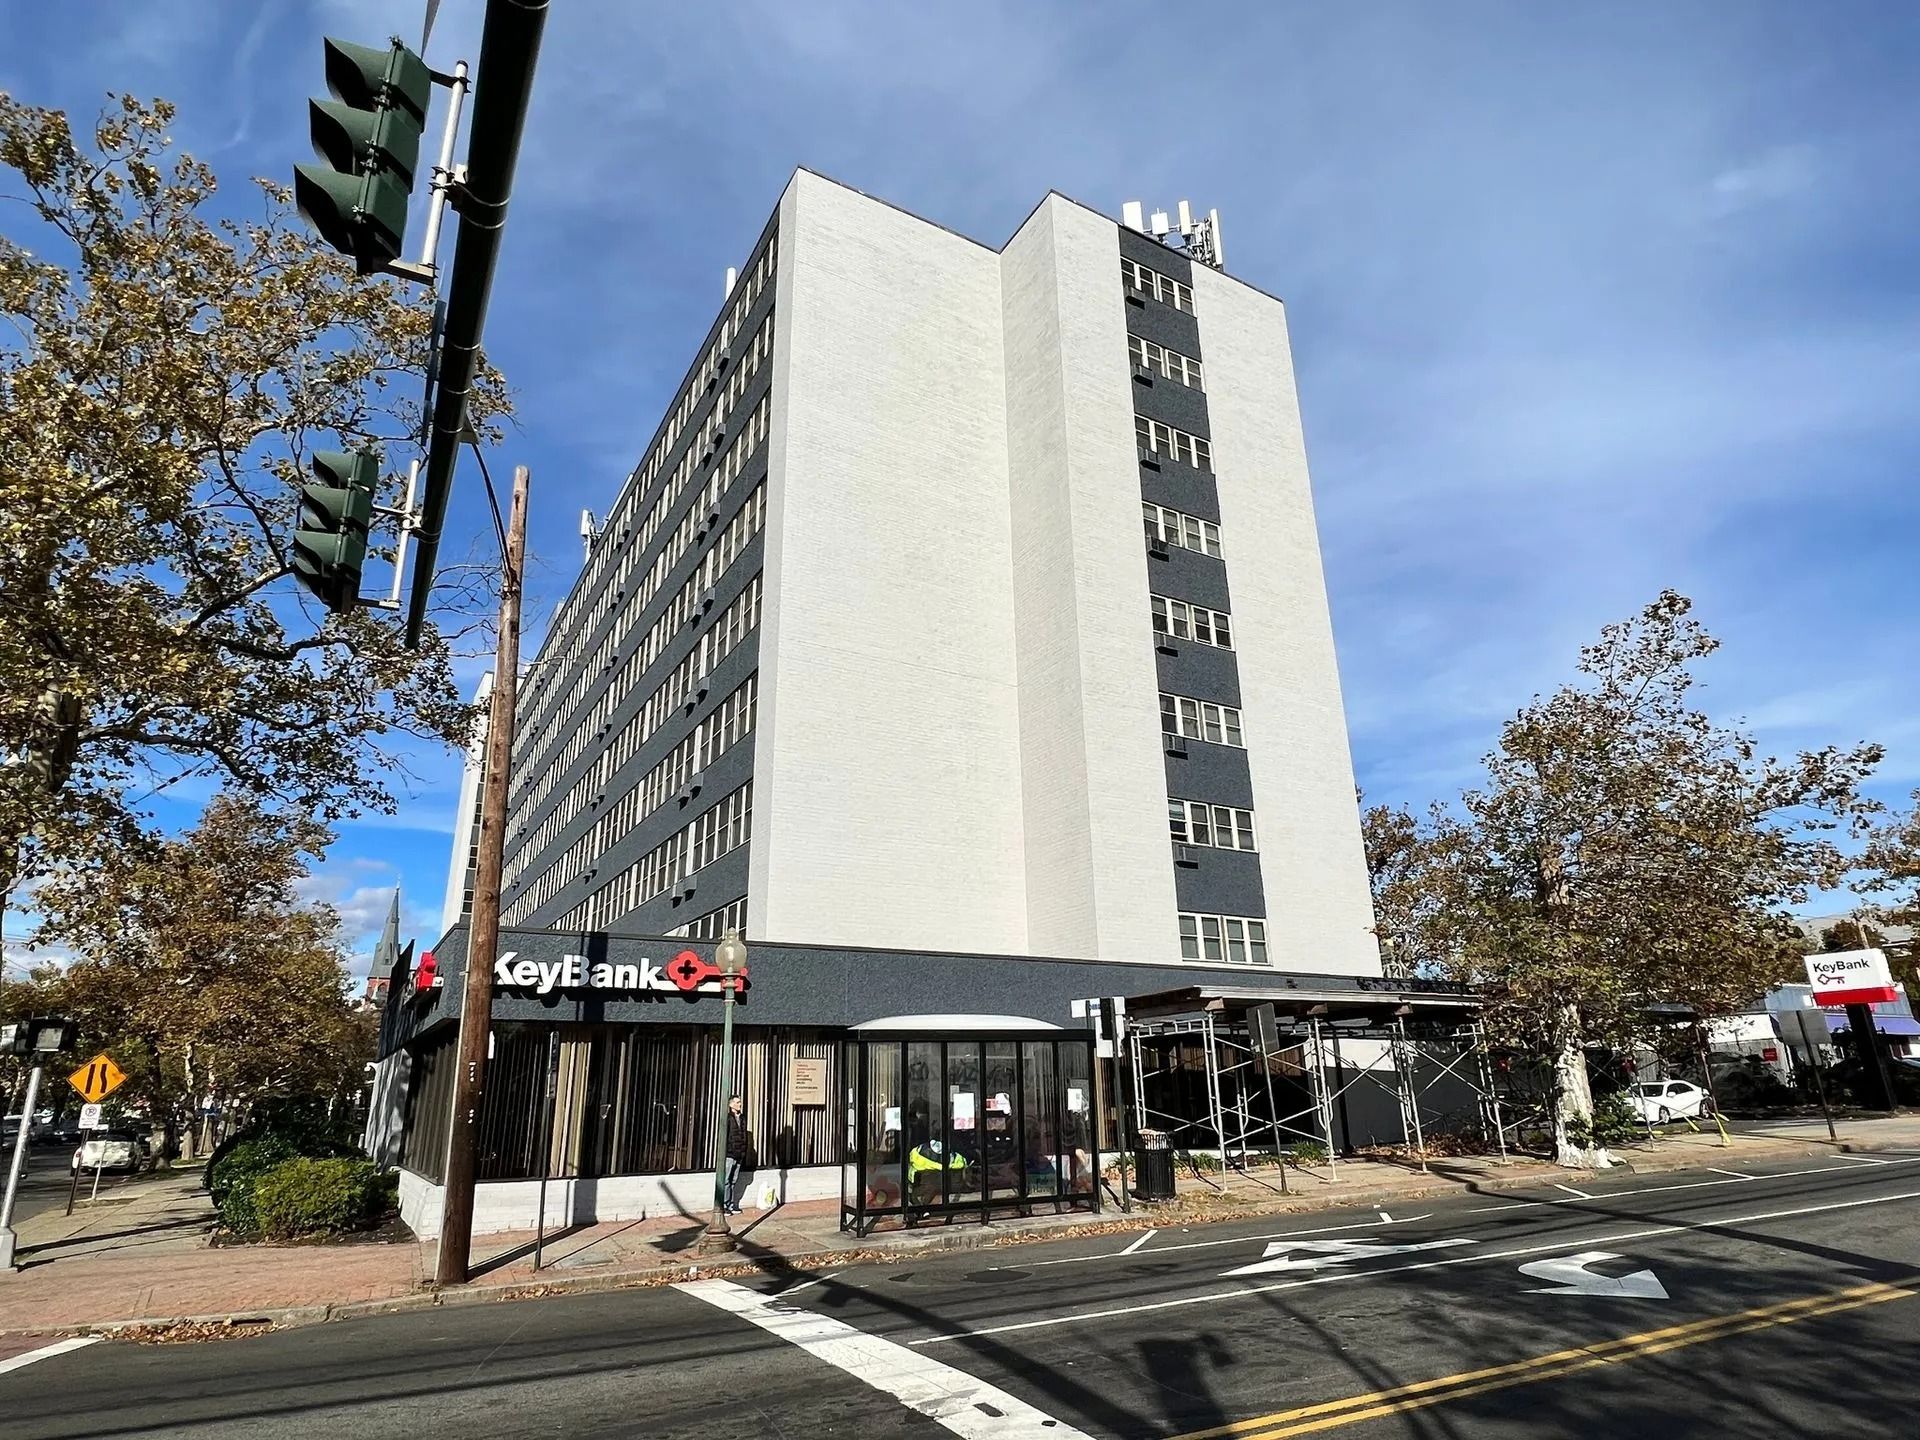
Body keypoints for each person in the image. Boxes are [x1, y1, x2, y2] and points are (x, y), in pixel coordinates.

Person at [723, 1094, 752, 1215]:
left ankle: (731, 1205)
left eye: (740, 1102)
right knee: (726, 1180)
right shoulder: (728, 1118)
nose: (740, 1104)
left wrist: (744, 1151)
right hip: (730, 1154)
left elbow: (743, 1135)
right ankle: (724, 1205)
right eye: (737, 1102)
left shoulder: (742, 1118)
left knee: (734, 1180)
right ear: (731, 1104)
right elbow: (725, 1136)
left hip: (739, 1153)